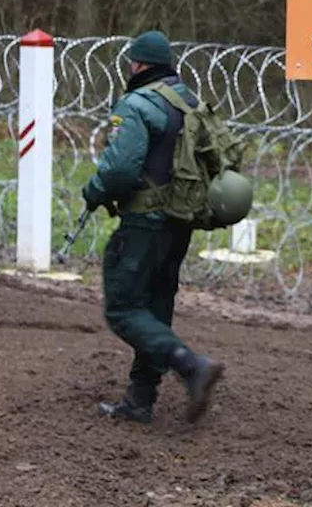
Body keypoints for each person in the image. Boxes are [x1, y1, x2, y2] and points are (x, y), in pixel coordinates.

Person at [81, 29, 225, 425]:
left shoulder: (137, 104)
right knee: (156, 308)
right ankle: (140, 399)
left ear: (138, 64)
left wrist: (94, 191)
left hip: (144, 221)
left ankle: (191, 365)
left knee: (124, 307)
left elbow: (120, 169)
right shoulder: (189, 103)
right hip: (180, 220)